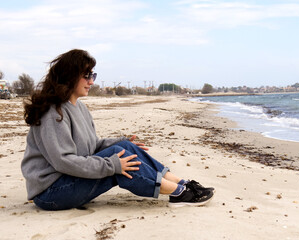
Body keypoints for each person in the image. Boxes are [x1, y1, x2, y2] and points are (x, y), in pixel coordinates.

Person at [21, 49, 214, 210]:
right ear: (70, 76)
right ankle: (178, 193)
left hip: (70, 180)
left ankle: (181, 184)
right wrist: (112, 165)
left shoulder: (79, 107)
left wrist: (124, 142)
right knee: (117, 159)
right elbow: (63, 161)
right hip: (51, 192)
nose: (92, 81)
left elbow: (92, 146)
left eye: (93, 75)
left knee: (121, 147)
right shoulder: (53, 113)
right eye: (87, 76)